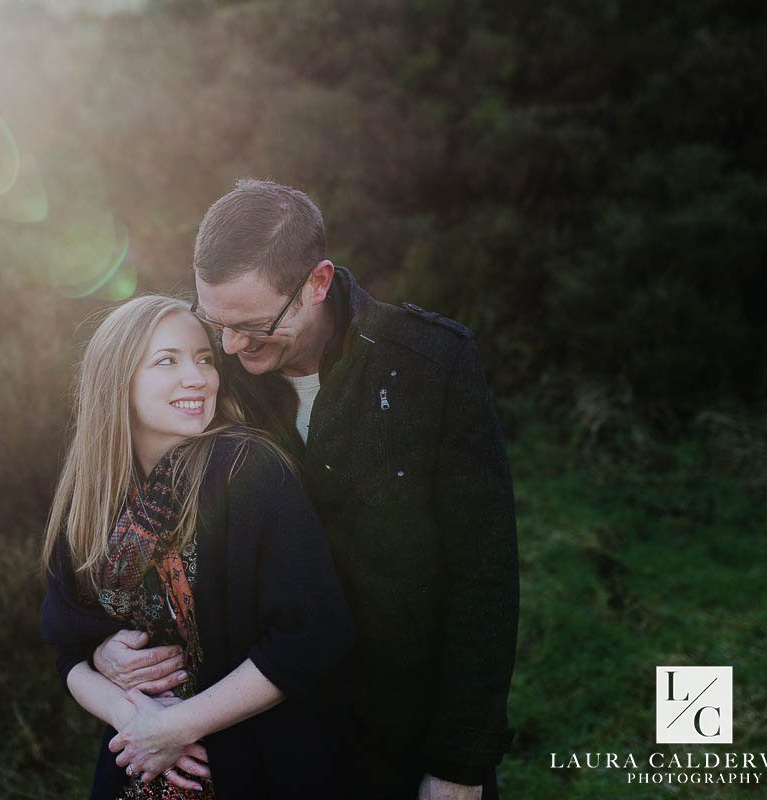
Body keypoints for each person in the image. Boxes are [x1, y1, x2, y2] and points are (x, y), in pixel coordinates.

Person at [93, 180, 519, 800]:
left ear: (317, 284)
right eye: (218, 324)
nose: (231, 348)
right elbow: (134, 524)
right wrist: (102, 652)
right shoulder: (205, 378)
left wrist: (460, 763)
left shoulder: (432, 365)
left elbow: (485, 579)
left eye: (254, 326)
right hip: (261, 744)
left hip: (400, 729)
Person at [39, 294, 355, 800]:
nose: (199, 377)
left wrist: (180, 725)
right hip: (139, 766)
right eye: (168, 361)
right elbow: (67, 651)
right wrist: (137, 719)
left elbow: (314, 634)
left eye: (204, 359)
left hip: (258, 766)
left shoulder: (245, 470)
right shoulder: (91, 498)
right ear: (116, 381)